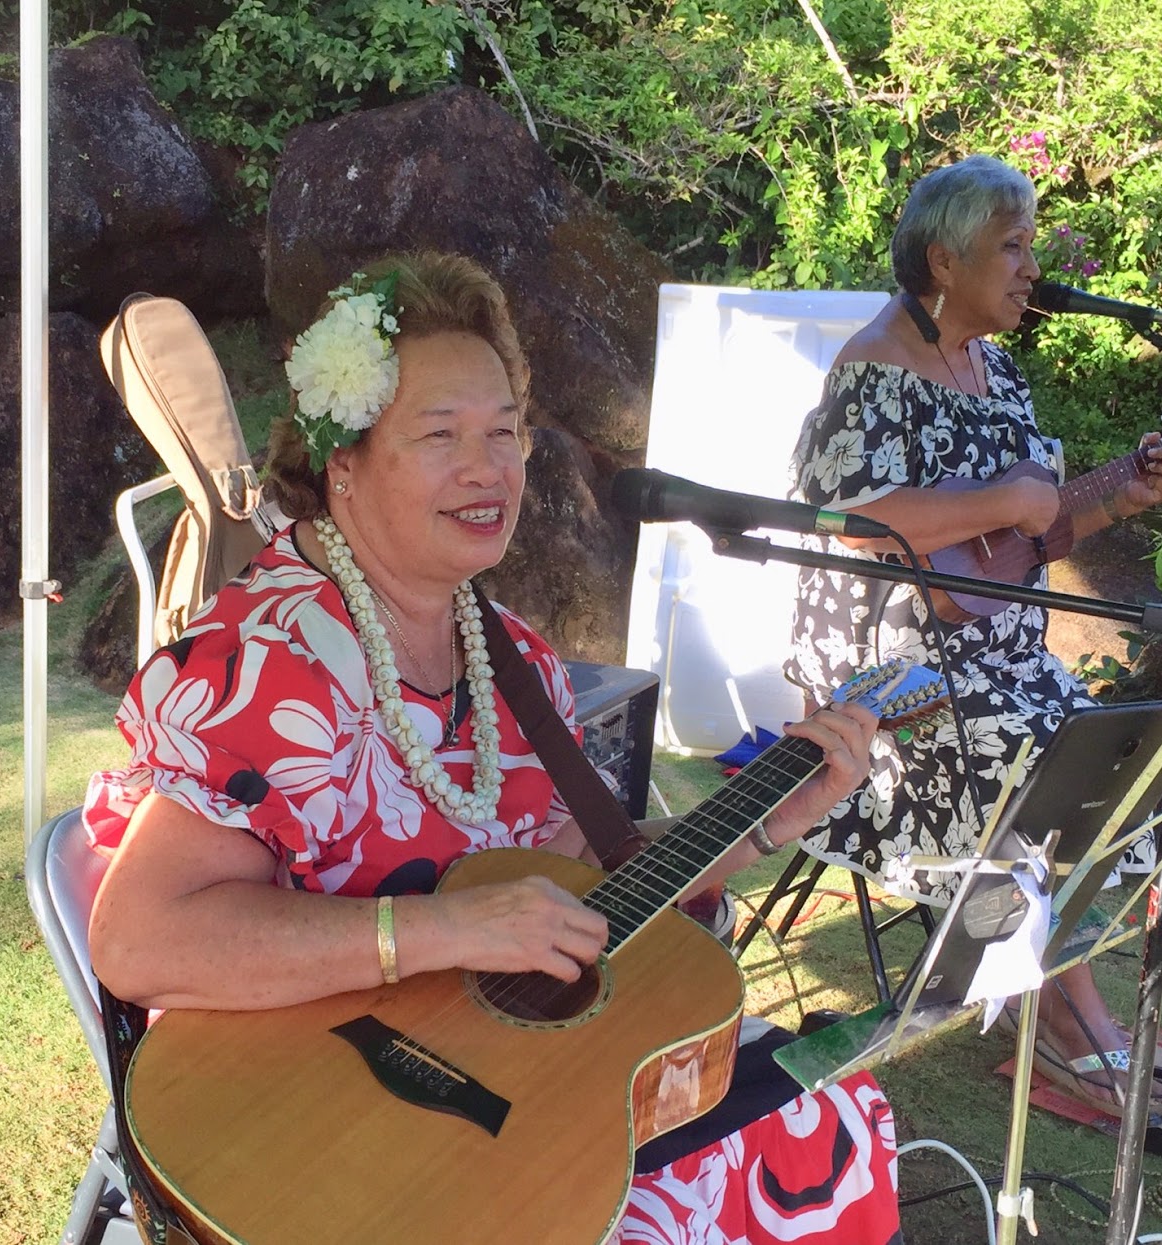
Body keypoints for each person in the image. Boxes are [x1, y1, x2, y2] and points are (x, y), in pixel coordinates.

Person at [84, 251, 901, 1244]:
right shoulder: (261, 664)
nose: (489, 468)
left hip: (493, 1082)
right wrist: (444, 930)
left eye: (504, 432)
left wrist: (763, 822)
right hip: (317, 1122)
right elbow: (143, 941)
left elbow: (572, 878)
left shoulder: (510, 656)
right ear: (342, 464)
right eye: (441, 435)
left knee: (828, 1109)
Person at [783, 155, 1162, 1109]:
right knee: (1032, 757)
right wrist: (1002, 497)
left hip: (1000, 650)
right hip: (892, 665)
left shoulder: (996, 368)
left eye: (1029, 246)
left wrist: (1119, 496)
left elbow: (1018, 537)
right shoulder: (874, 368)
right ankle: (1066, 1018)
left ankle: (1032, 981)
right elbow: (847, 516)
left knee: (1121, 749)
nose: (1031, 269)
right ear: (944, 259)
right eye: (1012, 247)